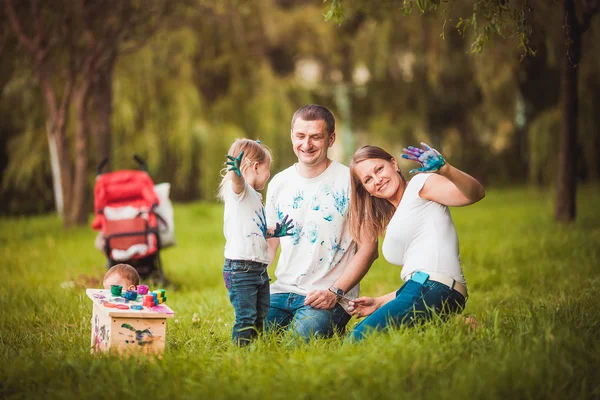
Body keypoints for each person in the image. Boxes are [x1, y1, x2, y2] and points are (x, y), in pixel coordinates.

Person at [346, 142, 485, 342]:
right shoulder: (397, 218)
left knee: (357, 340)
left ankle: (452, 322)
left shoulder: (419, 185)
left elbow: (475, 193)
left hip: (435, 288)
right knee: (392, 340)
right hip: (426, 289)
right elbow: (417, 277)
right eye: (368, 179)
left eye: (379, 169)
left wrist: (446, 169)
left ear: (394, 164)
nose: (377, 180)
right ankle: (454, 323)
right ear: (366, 189)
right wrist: (379, 302)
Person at [264, 104, 378, 341]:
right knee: (251, 338)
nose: (307, 145)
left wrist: (334, 292)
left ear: (331, 139)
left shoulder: (350, 181)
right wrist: (252, 280)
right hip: (281, 291)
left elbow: (369, 248)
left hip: (329, 295)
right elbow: (271, 240)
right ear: (291, 136)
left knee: (298, 344)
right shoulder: (279, 182)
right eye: (301, 136)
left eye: (316, 137)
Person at [218, 138, 294, 346]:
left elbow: (255, 230)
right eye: (268, 169)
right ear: (256, 167)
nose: (269, 174)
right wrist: (235, 171)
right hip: (240, 268)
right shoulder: (239, 191)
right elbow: (236, 180)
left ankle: (256, 349)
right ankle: (241, 356)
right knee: (246, 318)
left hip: (258, 269)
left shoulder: (255, 198)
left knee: (261, 315)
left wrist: (275, 232)